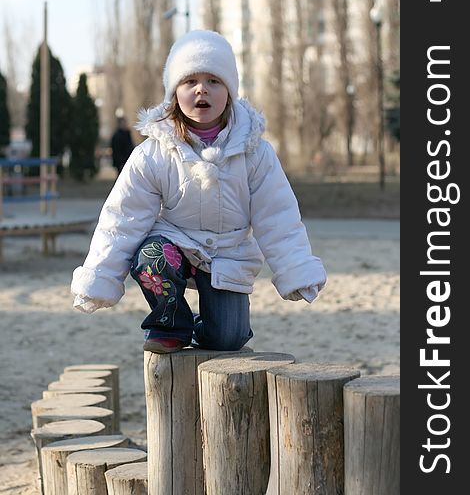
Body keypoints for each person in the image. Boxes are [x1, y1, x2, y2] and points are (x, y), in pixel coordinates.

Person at [71, 30, 327, 354]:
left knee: (227, 340)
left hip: (227, 254)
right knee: (151, 256)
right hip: (173, 246)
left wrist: (296, 269)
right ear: (174, 92)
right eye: (189, 81)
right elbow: (123, 217)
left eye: (214, 81)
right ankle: (171, 322)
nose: (201, 89)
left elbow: (277, 216)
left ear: (230, 92)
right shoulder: (155, 153)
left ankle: (207, 326)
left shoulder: (255, 153)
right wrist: (100, 276)